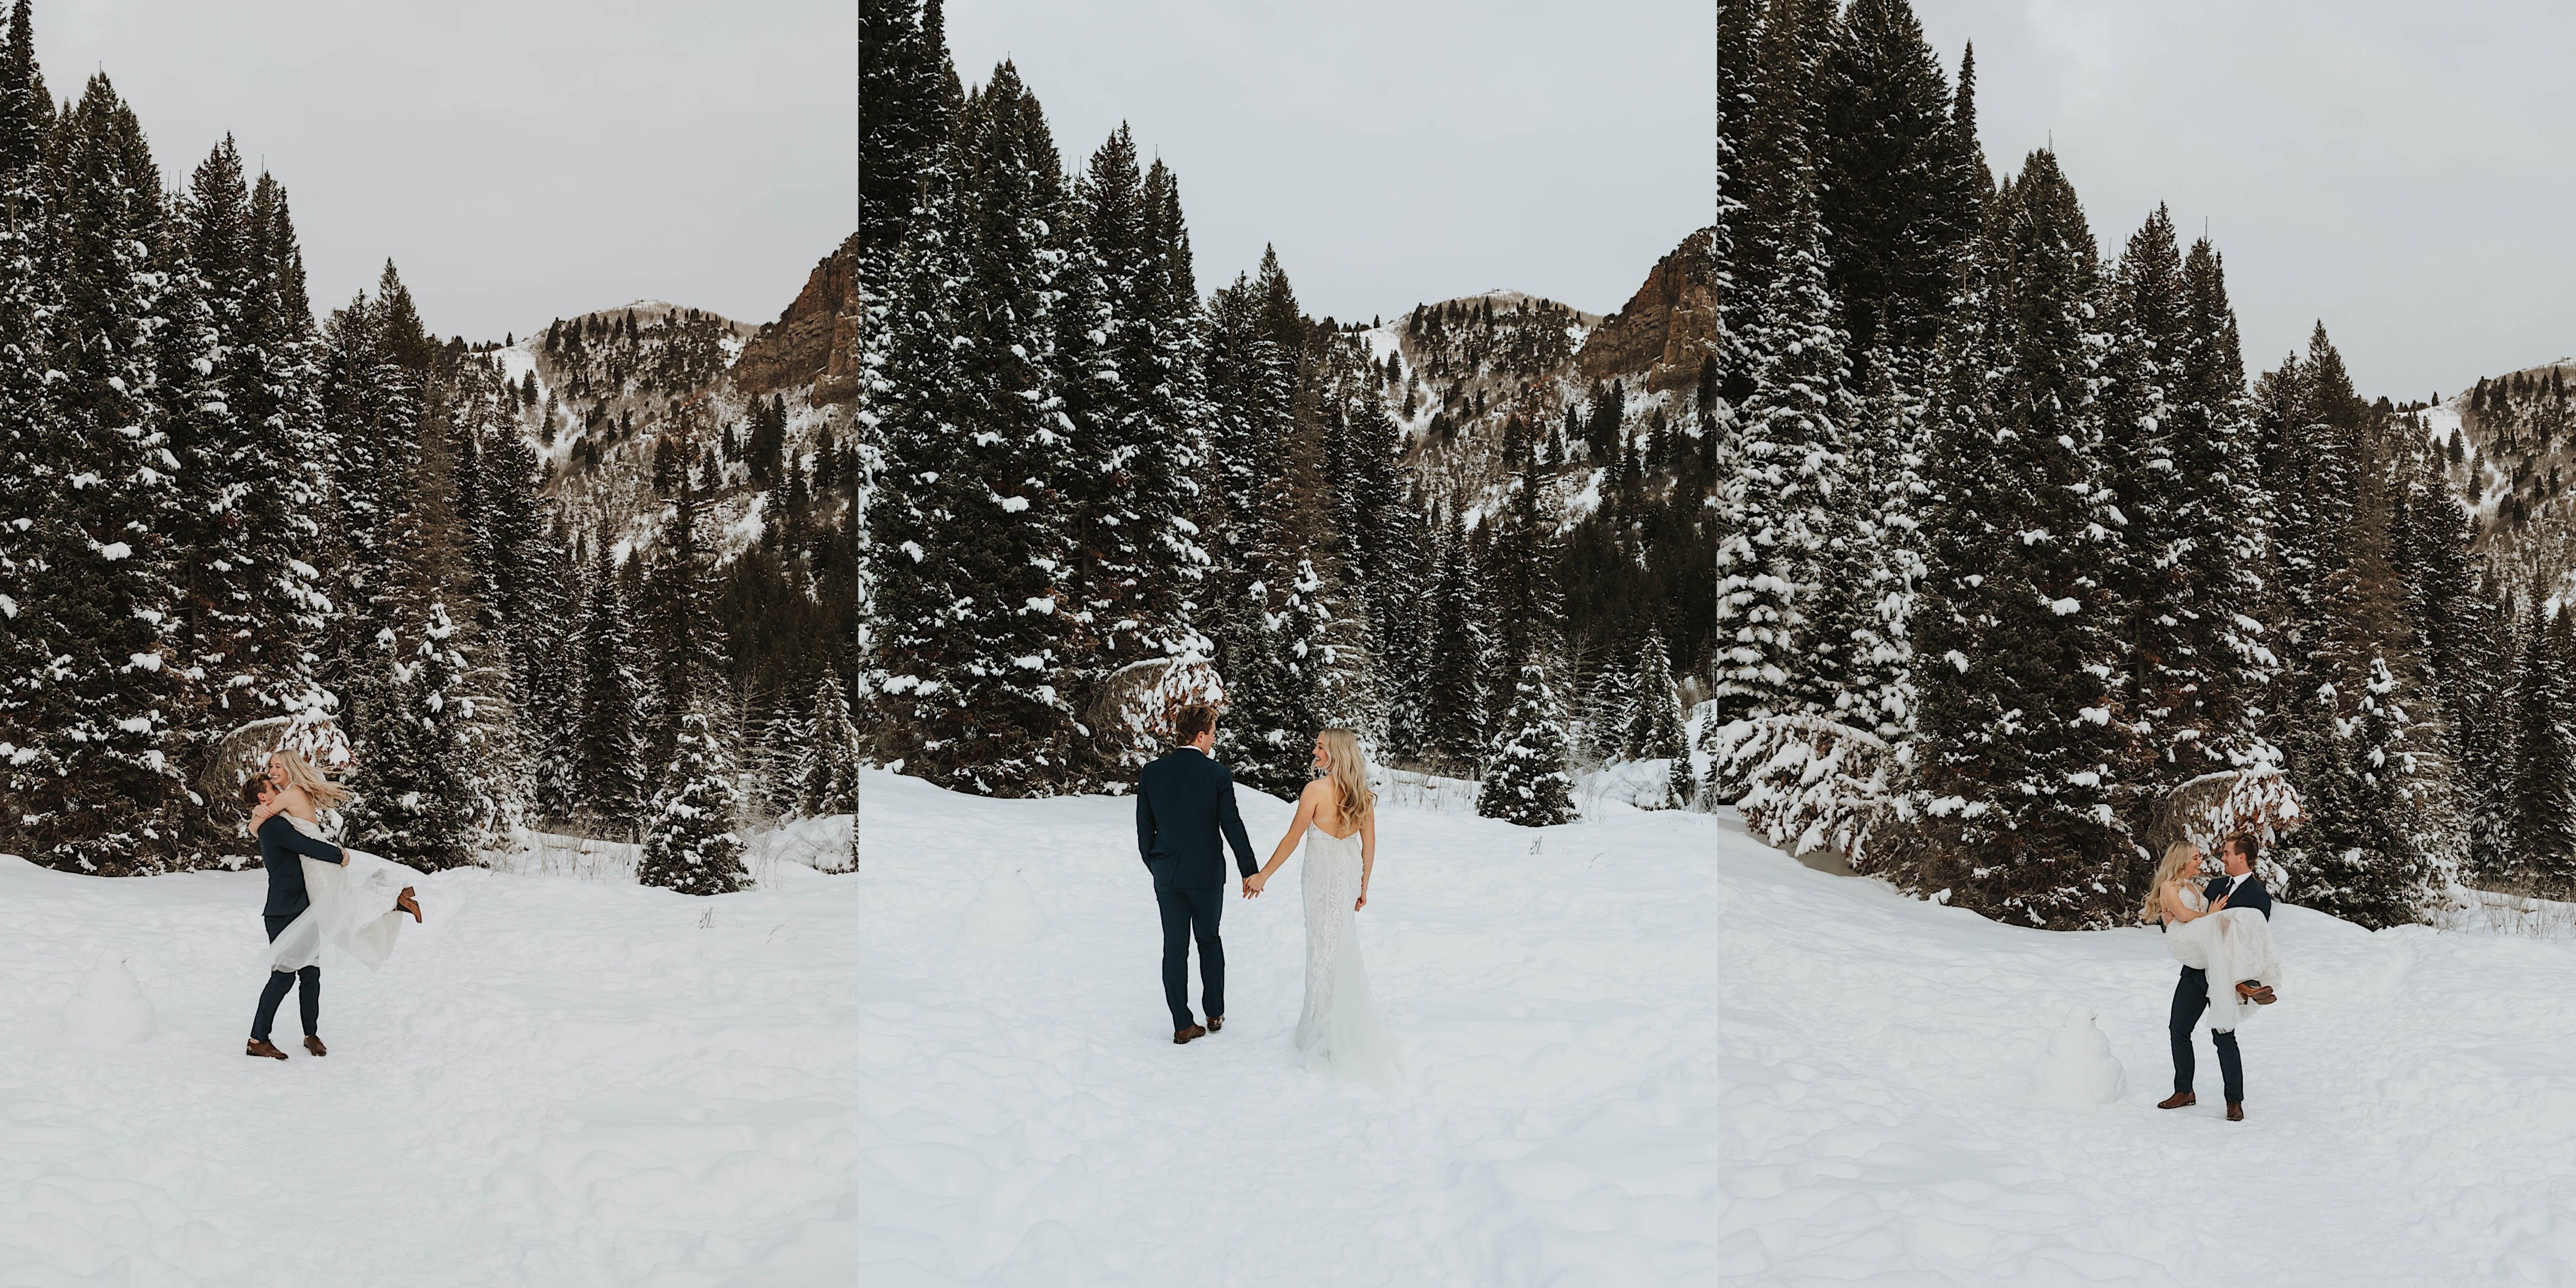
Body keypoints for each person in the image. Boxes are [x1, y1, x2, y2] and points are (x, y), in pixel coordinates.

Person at [243, 752, 426, 1059]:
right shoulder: (274, 827)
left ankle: (311, 1034)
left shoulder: (279, 818)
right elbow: (307, 846)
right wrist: (338, 854)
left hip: (306, 906)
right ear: (264, 797)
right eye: (272, 790)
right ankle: (257, 1040)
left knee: (311, 974)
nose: (278, 793)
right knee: (284, 976)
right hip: (283, 910)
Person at [1244, 727, 1401, 1084]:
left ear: (1335, 753)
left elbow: (1292, 838)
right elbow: (1369, 846)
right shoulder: (1361, 795)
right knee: (1338, 945)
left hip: (1319, 877)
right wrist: (1363, 885)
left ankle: (1326, 1029)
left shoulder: (1315, 791)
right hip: (1344, 876)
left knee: (1322, 947)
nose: (1314, 750)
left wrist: (1263, 875)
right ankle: (1332, 1021)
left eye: (1320, 746)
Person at [1134, 705, 1259, 1045]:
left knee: (1174, 948)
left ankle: (1182, 1024)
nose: (1215, 738)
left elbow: (1145, 831)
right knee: (1209, 940)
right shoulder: (1217, 774)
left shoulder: (1152, 772)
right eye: (1213, 732)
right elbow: (1231, 825)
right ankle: (1214, 1012)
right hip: (1206, 877)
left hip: (1168, 876)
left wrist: (1156, 865)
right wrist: (1249, 870)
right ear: (1200, 735)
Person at [2152, 834, 2279, 1121]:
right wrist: (2169, 921)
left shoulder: (2258, 897)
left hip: (2222, 974)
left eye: (2226, 853)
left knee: (2224, 1036)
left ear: (2241, 857)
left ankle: (2234, 1101)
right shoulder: (2213, 886)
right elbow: (2192, 919)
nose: (2221, 858)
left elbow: (2251, 938)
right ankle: (2184, 1090)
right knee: (2178, 1029)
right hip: (2196, 970)